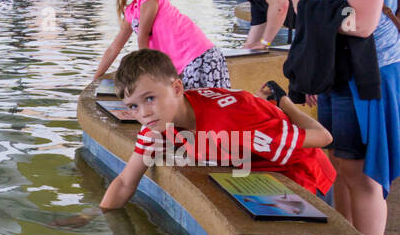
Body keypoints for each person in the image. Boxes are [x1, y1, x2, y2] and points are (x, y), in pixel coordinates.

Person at [289, 0, 400, 235]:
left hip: (367, 74)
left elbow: (363, 24)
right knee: (337, 161)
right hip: (339, 72)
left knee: (361, 172)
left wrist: (307, 9)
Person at [98, 49, 335, 211]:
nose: (144, 113)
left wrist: (285, 104)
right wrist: (98, 220)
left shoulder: (230, 122)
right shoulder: (156, 125)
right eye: (133, 106)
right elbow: (125, 182)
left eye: (150, 98)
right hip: (254, 168)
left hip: (303, 175)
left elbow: (323, 137)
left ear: (177, 88)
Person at [91, 0, 229, 90]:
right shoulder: (132, 11)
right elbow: (114, 47)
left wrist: (145, 74)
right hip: (184, 64)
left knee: (207, 107)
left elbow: (143, 36)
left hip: (199, 56)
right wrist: (96, 79)